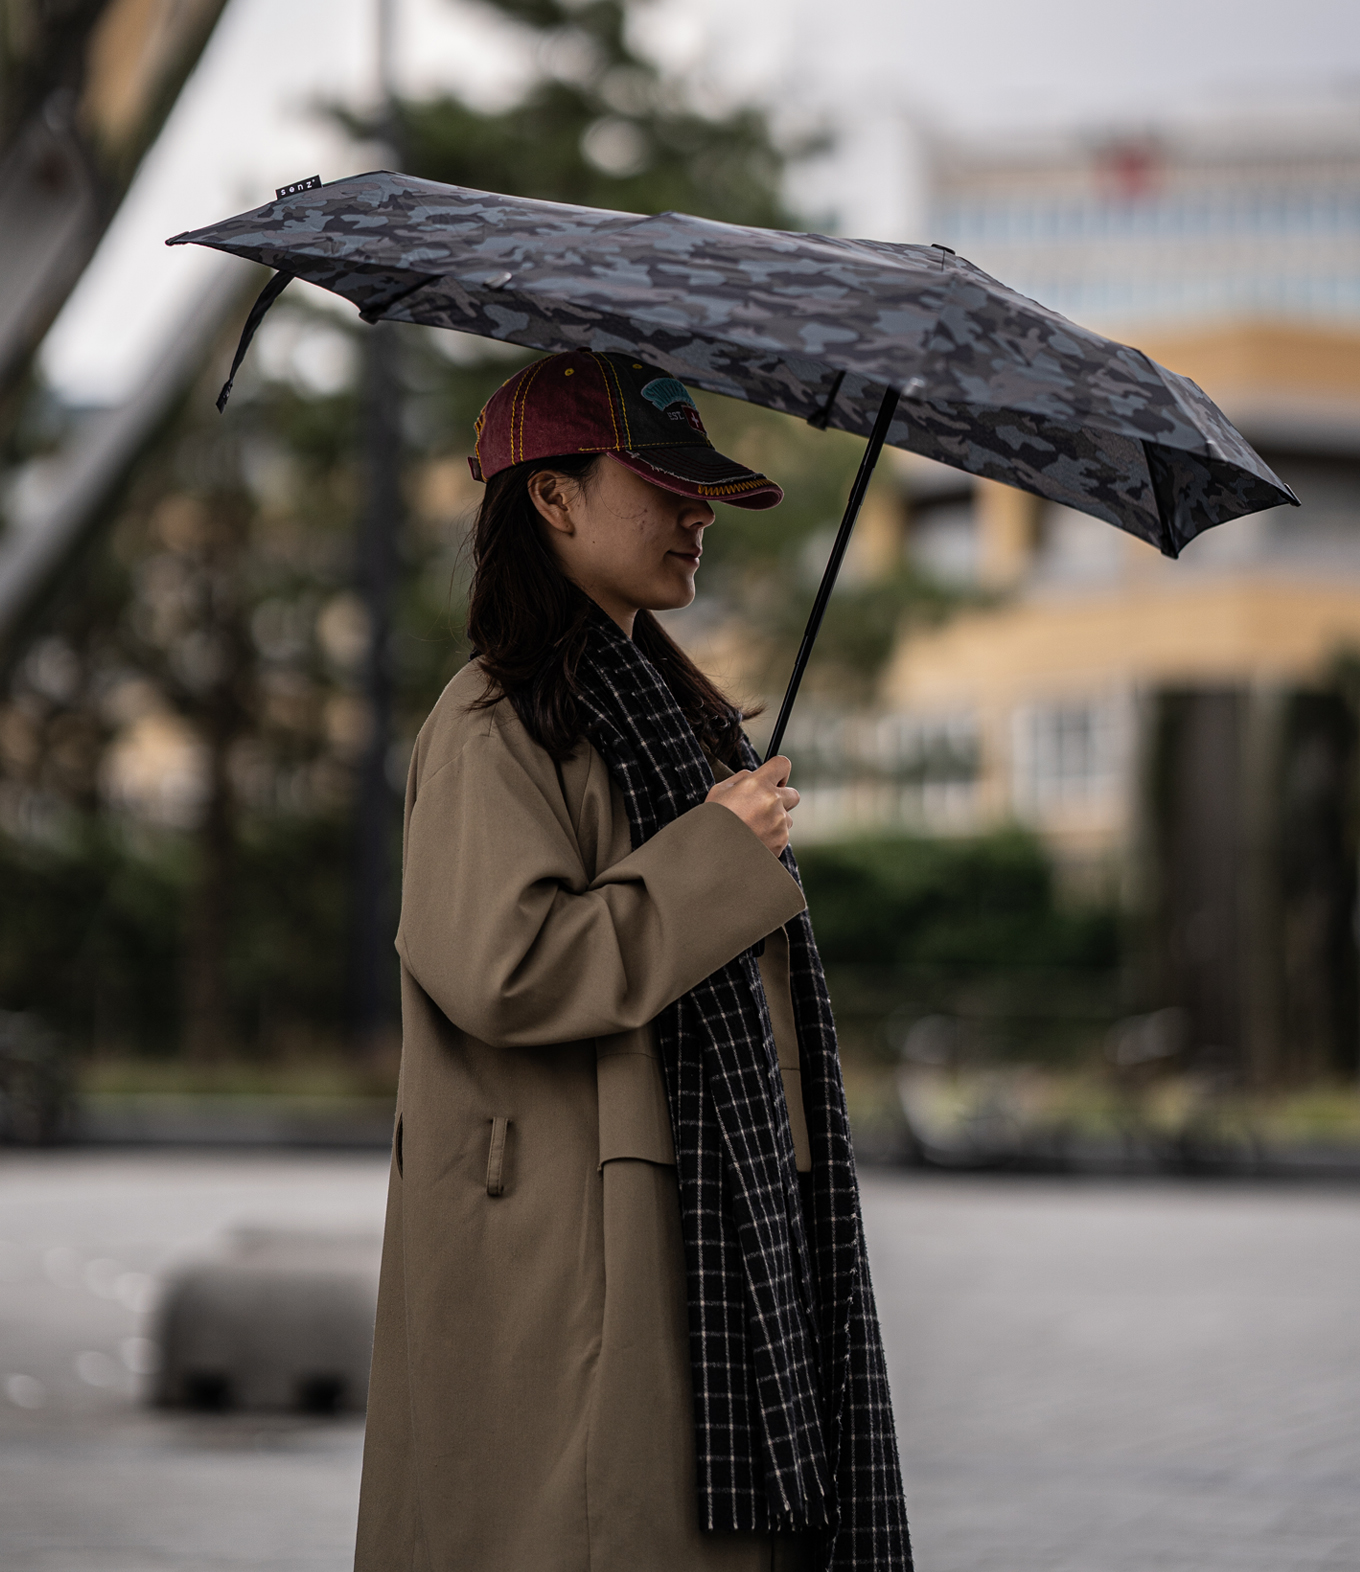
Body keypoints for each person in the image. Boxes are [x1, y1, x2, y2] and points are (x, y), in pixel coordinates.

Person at [353, 350, 911, 1572]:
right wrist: (715, 855)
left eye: (702, 487)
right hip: (565, 1234)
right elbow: (506, 968)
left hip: (695, 1209)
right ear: (552, 497)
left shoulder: (668, 711)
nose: (697, 513)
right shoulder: (496, 720)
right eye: (663, 484)